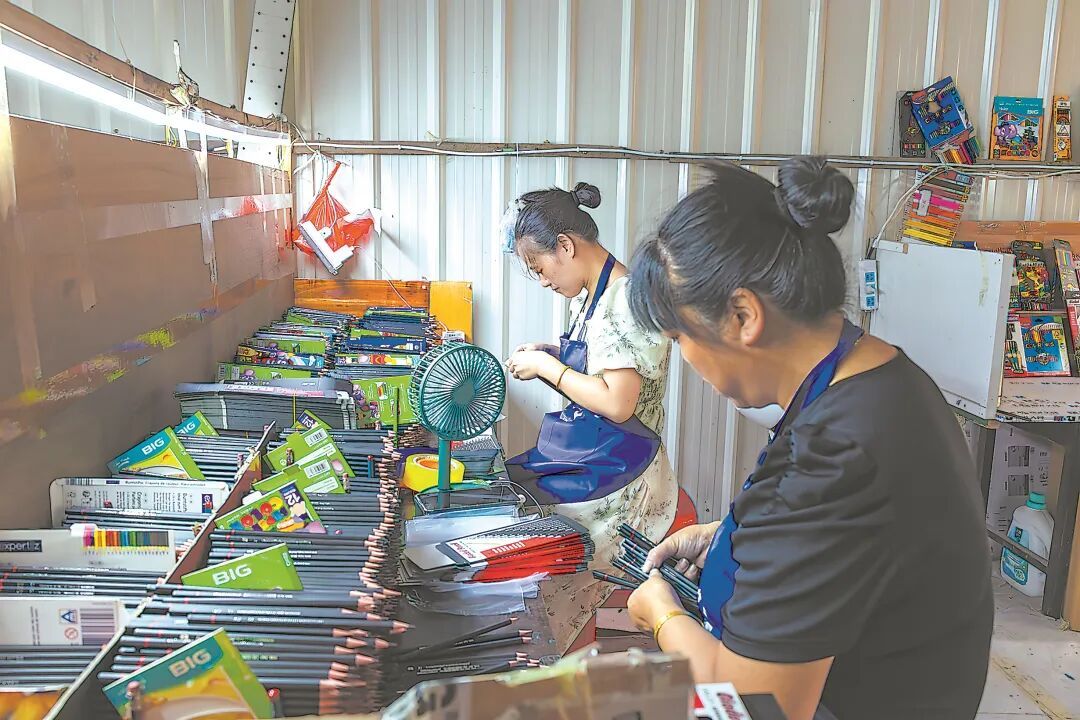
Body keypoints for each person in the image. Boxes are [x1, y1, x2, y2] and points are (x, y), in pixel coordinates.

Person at [623, 158, 992, 720]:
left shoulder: (832, 459)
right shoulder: (885, 377)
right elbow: (858, 533)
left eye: (680, 337)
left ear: (743, 315)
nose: (686, 359)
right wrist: (734, 537)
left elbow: (755, 710)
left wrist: (662, 614)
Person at [498, 182, 678, 652]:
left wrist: (548, 368)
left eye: (540, 268)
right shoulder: (590, 296)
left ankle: (555, 658)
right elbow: (602, 362)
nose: (543, 281)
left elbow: (617, 402)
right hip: (595, 452)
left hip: (622, 472)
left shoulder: (623, 302)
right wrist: (550, 352)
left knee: (544, 558)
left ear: (565, 246)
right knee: (512, 489)